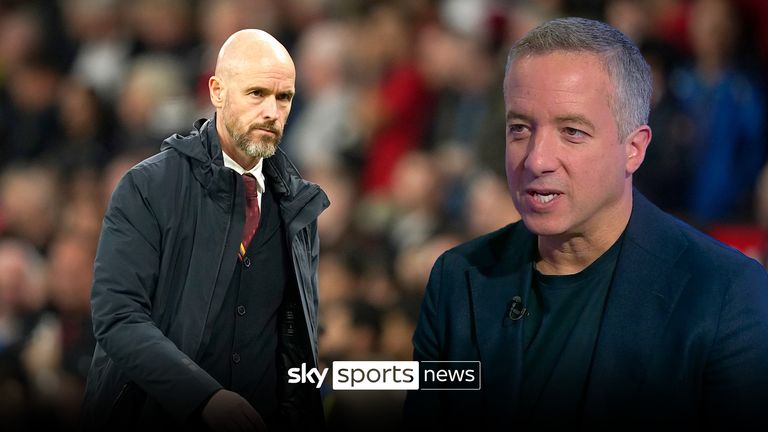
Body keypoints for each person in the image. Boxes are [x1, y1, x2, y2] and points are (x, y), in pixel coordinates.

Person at [405, 17, 768, 429]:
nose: (537, 159)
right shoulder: (459, 279)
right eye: (520, 128)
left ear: (634, 149)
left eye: (572, 131)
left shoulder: (723, 293)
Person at [81, 29, 329, 431]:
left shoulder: (298, 206)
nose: (272, 111)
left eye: (284, 98)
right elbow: (118, 317)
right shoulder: (149, 186)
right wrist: (204, 398)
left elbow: (296, 346)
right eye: (256, 93)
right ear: (217, 91)